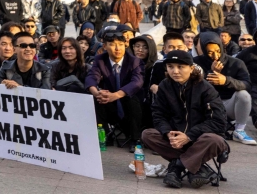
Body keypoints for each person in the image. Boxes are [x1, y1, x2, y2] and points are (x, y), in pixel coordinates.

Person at [141, 50, 230, 189]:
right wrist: (167, 132)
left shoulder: (206, 89)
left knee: (215, 140)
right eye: (170, 67)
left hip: (201, 139)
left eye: (180, 67)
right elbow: (158, 114)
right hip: (176, 137)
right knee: (147, 134)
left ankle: (177, 167)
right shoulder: (165, 85)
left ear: (191, 68)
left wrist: (189, 136)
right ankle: (198, 169)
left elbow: (218, 122)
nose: (175, 71)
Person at [193, 32, 255, 145]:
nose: (215, 56)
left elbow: (247, 84)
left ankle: (239, 130)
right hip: (205, 105)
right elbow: (193, 87)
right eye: (210, 52)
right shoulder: (196, 62)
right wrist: (211, 74)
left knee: (243, 94)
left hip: (228, 104)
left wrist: (226, 81)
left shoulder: (236, 63)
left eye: (217, 51)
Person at [86, 30, 144, 148]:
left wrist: (117, 95)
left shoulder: (134, 61)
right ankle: (105, 136)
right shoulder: (100, 60)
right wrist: (96, 92)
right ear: (105, 46)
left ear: (125, 45)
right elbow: (92, 77)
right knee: (98, 98)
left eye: (121, 44)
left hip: (131, 107)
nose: (117, 48)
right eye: (112, 44)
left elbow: (137, 82)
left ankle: (135, 139)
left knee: (131, 98)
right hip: (110, 104)